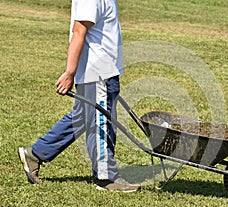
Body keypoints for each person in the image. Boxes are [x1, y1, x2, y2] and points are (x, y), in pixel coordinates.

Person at [17, 0, 140, 192]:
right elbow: (78, 31)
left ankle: (35, 154)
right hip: (99, 72)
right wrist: (70, 73)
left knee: (81, 118)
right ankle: (106, 177)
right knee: (102, 122)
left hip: (102, 71)